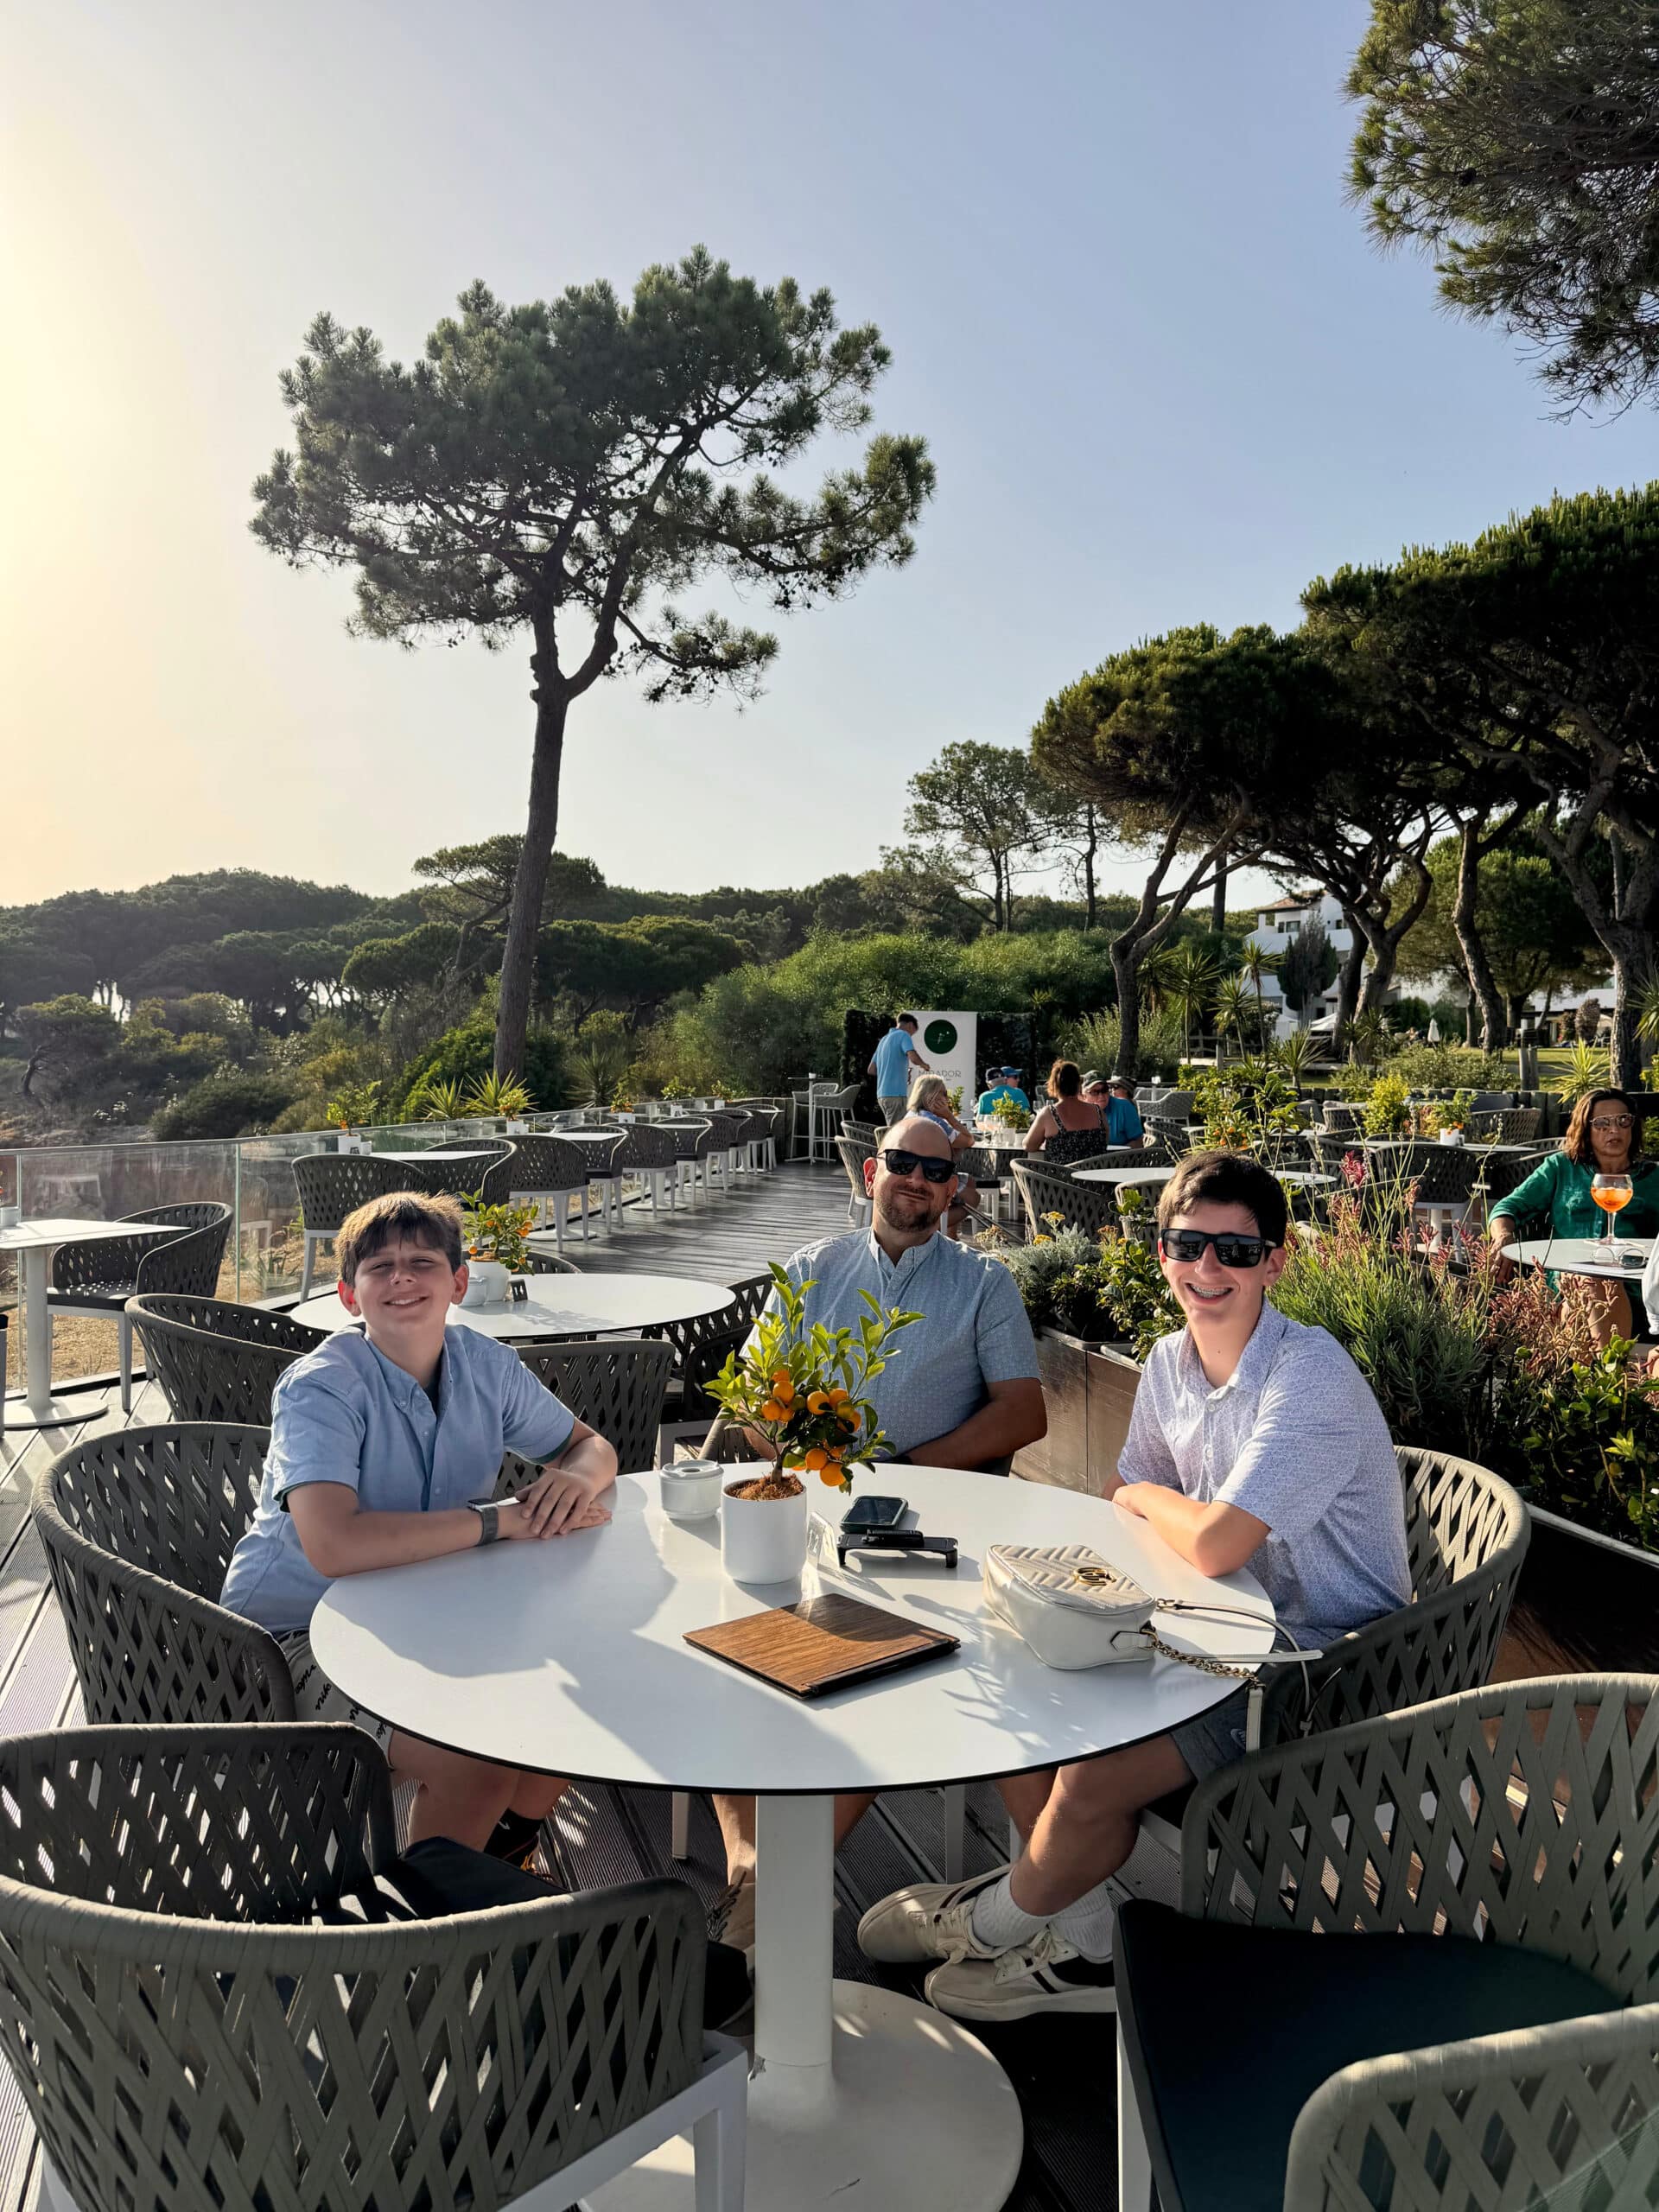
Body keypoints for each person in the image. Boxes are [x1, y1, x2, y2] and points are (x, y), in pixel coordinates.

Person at [857, 1149, 1411, 2021]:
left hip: (1320, 1669)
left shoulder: (1308, 1376)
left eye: (1235, 1250)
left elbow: (1208, 1533)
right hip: (1201, 1630)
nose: (1208, 1269)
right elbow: (1128, 1507)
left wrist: (1153, 1498)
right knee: (1021, 1684)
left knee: (1086, 1782)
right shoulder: (1168, 1362)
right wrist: (1150, 1503)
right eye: (1189, 1245)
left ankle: (988, 1923)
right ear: (1161, 1251)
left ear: (1276, 1259)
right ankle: (1080, 1935)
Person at [709, 1110, 1046, 1952]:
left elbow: (1025, 1411)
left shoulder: (982, 1284)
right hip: (813, 1510)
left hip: (931, 1533)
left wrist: (911, 1467)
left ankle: (767, 1898)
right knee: (719, 1657)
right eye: (902, 1162)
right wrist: (809, 1453)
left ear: (954, 1188)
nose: (917, 1181)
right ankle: (752, 1859)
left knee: (847, 1668)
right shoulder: (813, 1267)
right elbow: (752, 1392)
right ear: (872, 1172)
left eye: (936, 1171)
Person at [220, 1191, 619, 1858]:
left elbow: (591, 1446)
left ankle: (496, 1867)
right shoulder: (322, 1386)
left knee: (571, 1698)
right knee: (477, 1760)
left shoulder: (485, 1366)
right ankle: (434, 1929)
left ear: (458, 1282)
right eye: (379, 1267)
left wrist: (575, 1479)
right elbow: (334, 1544)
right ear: (350, 1296)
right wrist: (498, 1523)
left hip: (431, 1611)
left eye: (422, 1262)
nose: (402, 1277)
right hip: (292, 1638)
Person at [1489, 1089, 1659, 1345]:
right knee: (1589, 1283)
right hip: (1564, 1285)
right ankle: (1606, 1376)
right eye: (1602, 1123)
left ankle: (1578, 1378)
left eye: (1623, 1121)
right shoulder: (1562, 1168)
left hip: (1633, 1292)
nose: (1614, 1130)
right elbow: (1508, 1207)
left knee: (1598, 1283)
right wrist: (1503, 1235)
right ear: (1586, 1130)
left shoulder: (1653, 1178)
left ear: (1633, 1127)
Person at [908, 1071, 980, 1236]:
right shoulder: (935, 1121)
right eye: (944, 1093)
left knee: (970, 1182)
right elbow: (969, 1141)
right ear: (931, 1095)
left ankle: (951, 1237)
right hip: (931, 1177)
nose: (947, 1099)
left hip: (914, 1170)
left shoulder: (912, 1114)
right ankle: (925, 1231)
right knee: (973, 1198)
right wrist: (949, 1116)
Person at [1024, 1058, 1110, 1154]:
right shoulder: (1098, 1112)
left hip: (1062, 1169)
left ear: (1054, 1085)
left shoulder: (1050, 1114)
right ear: (1079, 1084)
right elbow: (1104, 1143)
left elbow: (1029, 1146)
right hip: (1095, 1169)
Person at [868, 1014, 928, 1125]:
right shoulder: (904, 1035)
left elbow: (871, 1070)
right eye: (912, 1033)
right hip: (896, 1094)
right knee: (896, 1133)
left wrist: (893, 1072)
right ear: (910, 1025)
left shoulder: (883, 1040)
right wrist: (924, 1065)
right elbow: (913, 1057)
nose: (911, 1036)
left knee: (893, 1129)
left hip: (882, 1094)